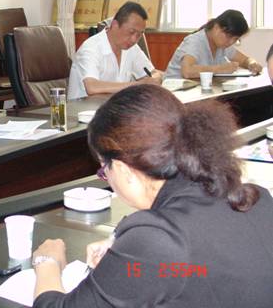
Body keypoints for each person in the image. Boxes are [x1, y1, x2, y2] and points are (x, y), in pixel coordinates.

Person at [32, 84, 273, 308]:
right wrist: (124, 246)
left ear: (123, 170)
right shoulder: (255, 197)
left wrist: (47, 262)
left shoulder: (158, 239)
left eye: (104, 170)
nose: (107, 178)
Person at [67, 1, 163, 99]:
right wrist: (139, 84)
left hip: (115, 105)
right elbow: (92, 87)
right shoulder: (90, 48)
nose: (134, 39)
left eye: (139, 35)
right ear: (115, 25)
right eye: (131, 32)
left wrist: (154, 79)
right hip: (84, 107)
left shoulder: (131, 48)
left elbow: (153, 73)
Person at [165, 9, 262, 79]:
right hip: (174, 94)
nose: (231, 42)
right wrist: (219, 69)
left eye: (236, 39)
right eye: (229, 36)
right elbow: (187, 71)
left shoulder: (222, 45)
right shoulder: (195, 41)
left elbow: (245, 60)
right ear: (216, 28)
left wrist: (252, 64)